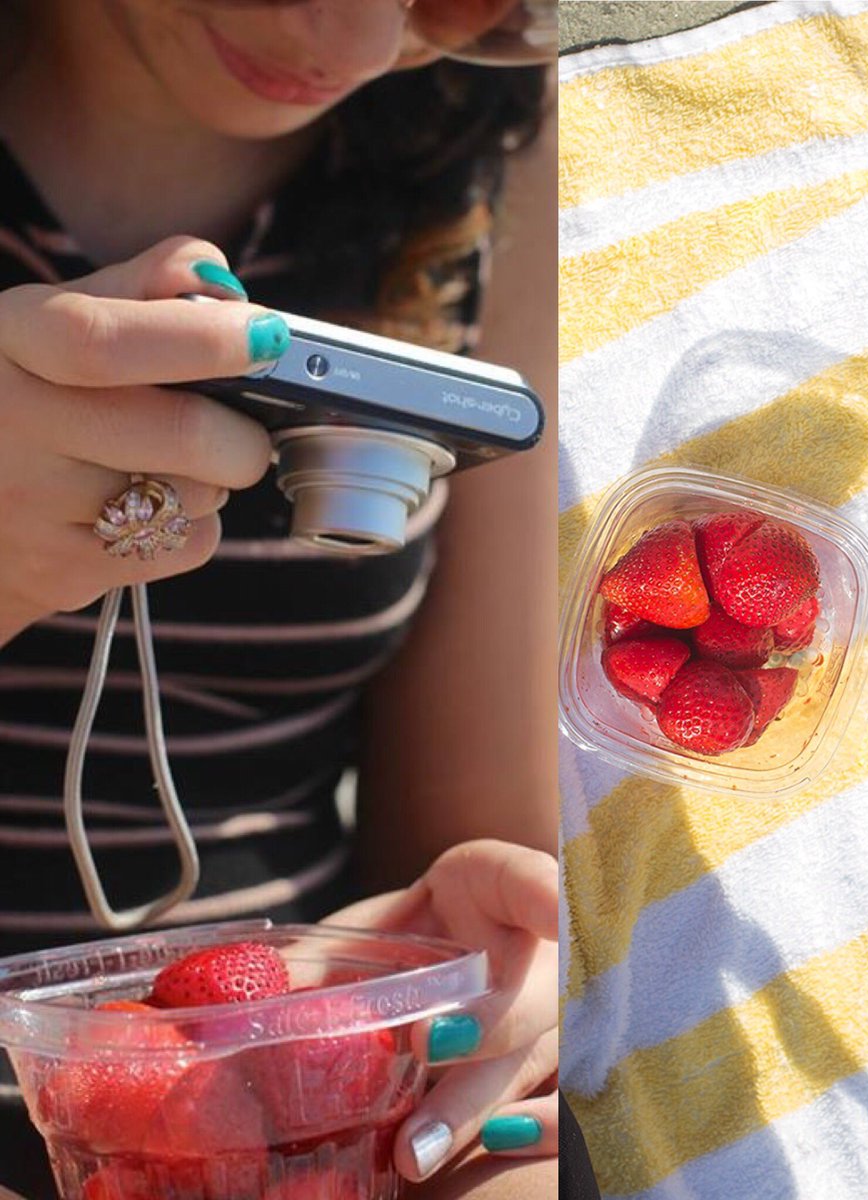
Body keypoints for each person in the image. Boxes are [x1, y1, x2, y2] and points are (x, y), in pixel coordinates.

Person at [0, 2, 557, 1197]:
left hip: (270, 1124)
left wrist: (462, 996)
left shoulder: (484, 152)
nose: (354, 49)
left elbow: (466, 840)